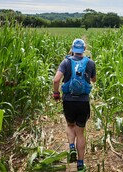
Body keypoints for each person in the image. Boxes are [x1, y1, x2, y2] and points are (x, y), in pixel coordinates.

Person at [53, 38, 96, 172]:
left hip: (68, 101)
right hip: (83, 102)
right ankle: (81, 164)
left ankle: (71, 147)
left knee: (70, 125)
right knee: (80, 133)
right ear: (83, 49)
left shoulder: (65, 62)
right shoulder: (90, 63)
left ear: (72, 49)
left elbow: (56, 80)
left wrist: (56, 94)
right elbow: (93, 80)